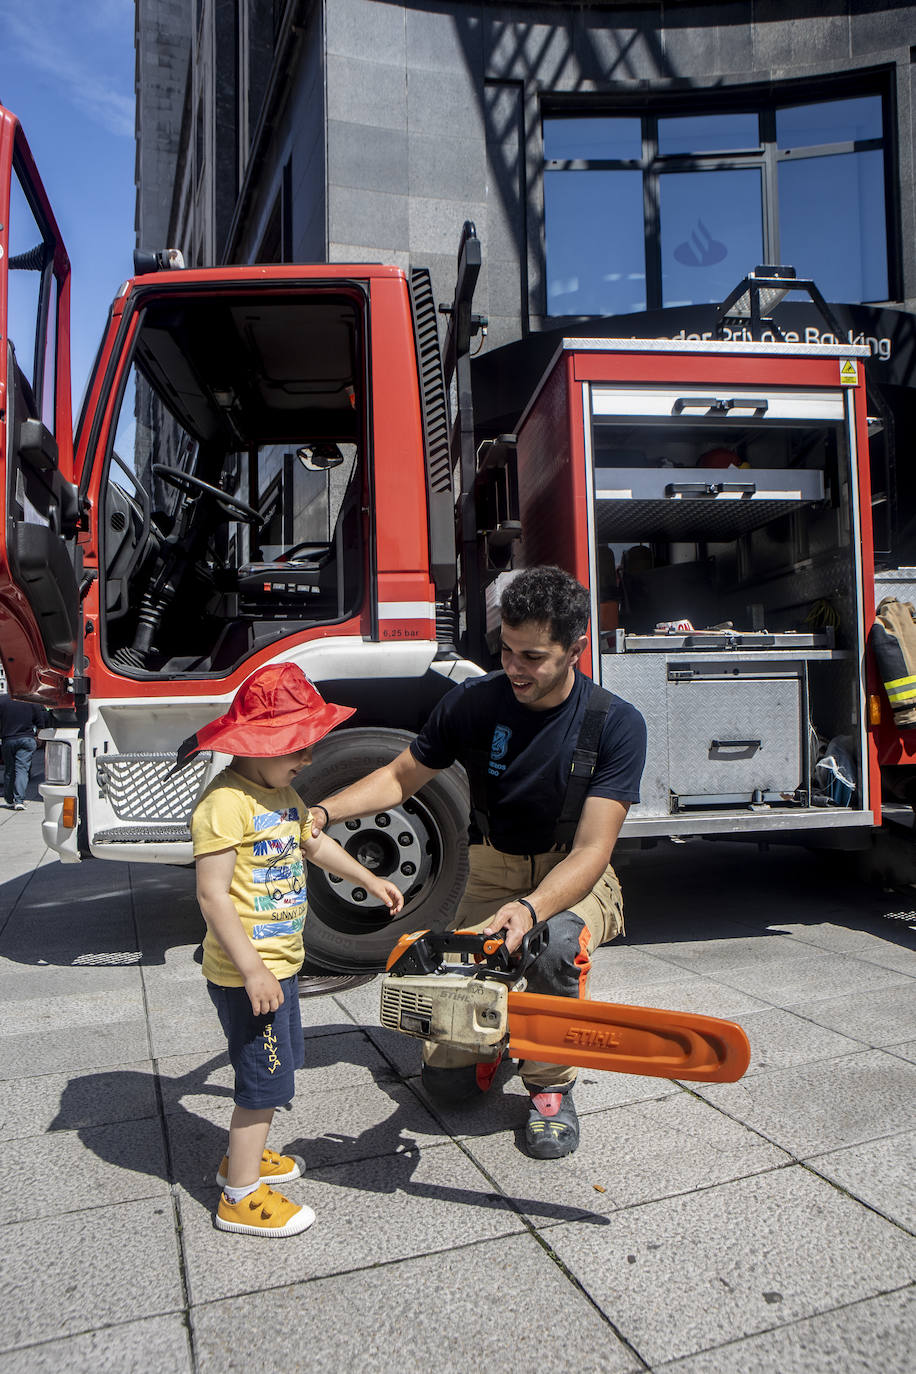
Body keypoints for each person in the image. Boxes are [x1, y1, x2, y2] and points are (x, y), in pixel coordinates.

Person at [311, 566, 647, 1159]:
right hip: (493, 864)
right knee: (448, 1087)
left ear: (576, 649)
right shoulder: (473, 703)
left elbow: (595, 849)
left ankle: (549, 1088)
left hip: (570, 870)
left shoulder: (616, 723)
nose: (514, 667)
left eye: (533, 657)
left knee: (557, 946)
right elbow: (398, 776)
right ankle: (490, 1041)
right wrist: (321, 813)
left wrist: (531, 909)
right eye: (507, 650)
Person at [178, 663, 404, 1237]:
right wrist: (253, 970)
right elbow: (212, 896)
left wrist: (368, 879)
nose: (306, 760)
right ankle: (240, 1195)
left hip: (281, 965)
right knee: (263, 1083)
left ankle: (243, 1158)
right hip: (249, 972)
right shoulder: (225, 804)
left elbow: (315, 841)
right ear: (255, 745)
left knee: (280, 1068)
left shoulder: (282, 793)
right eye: (295, 748)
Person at [0, 693, 48, 810]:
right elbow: (40, 722)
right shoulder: (30, 700)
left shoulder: (2, 701)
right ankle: (19, 800)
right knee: (22, 769)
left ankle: (9, 799)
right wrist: (40, 738)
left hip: (8, 740)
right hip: (27, 739)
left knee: (9, 770)